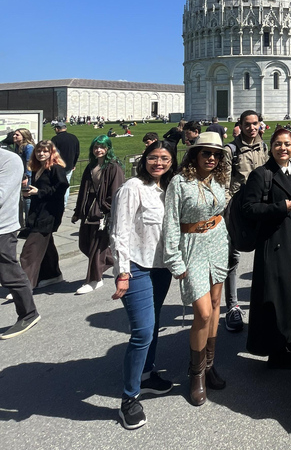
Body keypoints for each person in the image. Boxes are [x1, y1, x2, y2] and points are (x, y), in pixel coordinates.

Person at [111, 141, 178, 429]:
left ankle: (147, 374)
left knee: (153, 325)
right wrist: (122, 271)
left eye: (164, 158)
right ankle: (129, 399)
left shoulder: (168, 191)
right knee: (141, 331)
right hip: (137, 267)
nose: (158, 163)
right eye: (154, 158)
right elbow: (120, 231)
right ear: (144, 159)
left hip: (160, 267)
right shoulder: (132, 187)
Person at [163, 132, 229, 406]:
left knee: (215, 305)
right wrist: (174, 259)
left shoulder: (217, 180)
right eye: (206, 153)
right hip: (191, 247)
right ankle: (196, 373)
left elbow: (220, 213)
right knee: (202, 313)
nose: (211, 158)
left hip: (217, 243)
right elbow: (170, 222)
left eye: (216, 154)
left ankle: (210, 365)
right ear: (194, 155)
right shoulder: (179, 183)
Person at [241, 128, 291, 369]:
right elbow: (249, 208)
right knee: (274, 297)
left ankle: (288, 339)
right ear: (271, 147)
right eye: (278, 144)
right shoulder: (262, 174)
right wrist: (280, 207)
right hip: (273, 244)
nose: (283, 148)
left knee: (290, 296)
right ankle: (275, 351)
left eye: (287, 144)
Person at [221, 110, 268, 332]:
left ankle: (264, 303)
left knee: (265, 253)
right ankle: (232, 307)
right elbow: (224, 183)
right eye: (247, 124)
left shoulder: (264, 147)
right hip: (237, 209)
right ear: (240, 125)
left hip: (260, 206)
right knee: (233, 257)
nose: (251, 128)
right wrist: (228, 211)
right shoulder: (230, 150)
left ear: (260, 125)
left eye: (255, 124)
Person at [72, 136, 125, 294]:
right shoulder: (91, 166)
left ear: (108, 148)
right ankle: (110, 260)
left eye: (102, 147)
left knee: (96, 246)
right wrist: (77, 212)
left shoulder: (113, 167)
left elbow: (116, 191)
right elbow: (83, 190)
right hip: (88, 209)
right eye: (96, 147)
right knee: (85, 244)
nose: (98, 150)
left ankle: (95, 279)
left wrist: (107, 209)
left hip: (102, 212)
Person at [0, 148, 41, 340]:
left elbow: (1, 195)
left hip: (2, 228)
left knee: (8, 274)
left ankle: (28, 313)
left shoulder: (10, 160)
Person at [19, 141, 68, 290]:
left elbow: (61, 188)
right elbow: (39, 190)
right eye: (39, 151)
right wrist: (30, 193)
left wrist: (39, 192)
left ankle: (24, 286)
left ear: (51, 153)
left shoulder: (56, 168)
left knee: (30, 250)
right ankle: (52, 275)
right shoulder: (38, 168)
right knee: (47, 247)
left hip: (49, 213)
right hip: (37, 212)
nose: (41, 154)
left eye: (45, 151)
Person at [51, 121, 80, 210]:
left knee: (56, 184)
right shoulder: (74, 137)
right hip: (69, 165)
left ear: (57, 129)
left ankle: (57, 203)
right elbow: (77, 152)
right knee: (66, 184)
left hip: (57, 166)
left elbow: (52, 153)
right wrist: (73, 164)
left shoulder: (55, 139)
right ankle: (64, 203)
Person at [12, 129, 35, 222]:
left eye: (17, 135)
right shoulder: (17, 146)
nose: (14, 136)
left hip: (26, 176)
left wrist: (27, 177)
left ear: (24, 137)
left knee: (27, 197)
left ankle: (29, 221)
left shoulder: (28, 147)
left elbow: (29, 162)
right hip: (19, 175)